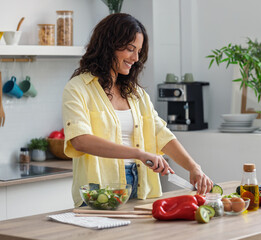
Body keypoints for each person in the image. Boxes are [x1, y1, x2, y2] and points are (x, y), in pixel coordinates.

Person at [62, 13, 213, 208]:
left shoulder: (136, 93)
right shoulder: (78, 88)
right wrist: (139, 153)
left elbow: (161, 134)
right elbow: (80, 140)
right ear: (109, 45)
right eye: (130, 49)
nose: (135, 58)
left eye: (139, 51)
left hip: (142, 186)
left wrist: (194, 168)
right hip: (101, 191)